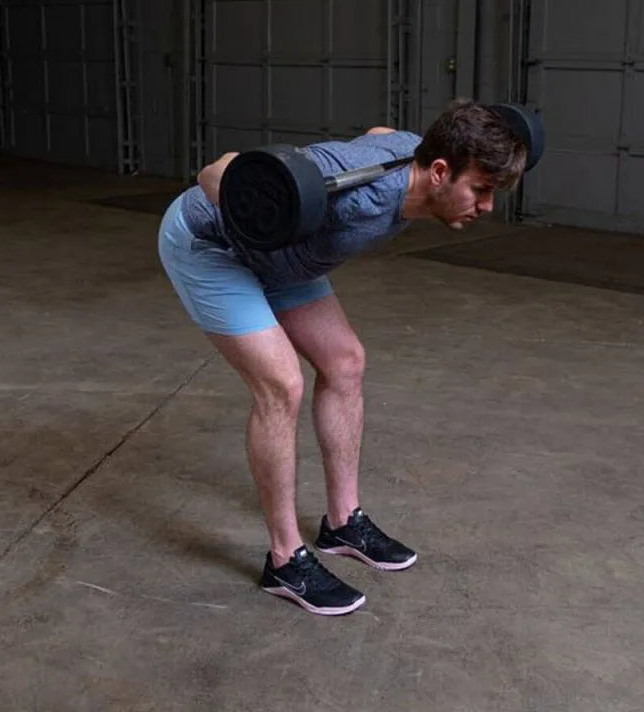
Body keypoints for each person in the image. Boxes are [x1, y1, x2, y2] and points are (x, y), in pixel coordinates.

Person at [157, 99, 527, 616]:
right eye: (481, 190)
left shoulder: (411, 153)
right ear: (440, 171)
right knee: (282, 384)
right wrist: (253, 199)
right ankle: (285, 562)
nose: (486, 206)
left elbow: (380, 130)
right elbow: (213, 170)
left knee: (345, 362)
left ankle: (341, 524)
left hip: (285, 258)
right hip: (213, 247)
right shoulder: (353, 187)